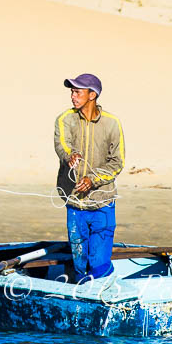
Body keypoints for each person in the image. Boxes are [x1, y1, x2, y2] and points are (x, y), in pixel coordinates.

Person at [53, 73, 125, 282]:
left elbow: (117, 162)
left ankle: (99, 293)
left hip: (103, 203)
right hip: (75, 203)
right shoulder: (65, 119)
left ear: (92, 95)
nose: (73, 96)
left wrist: (92, 179)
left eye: (77, 92)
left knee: (100, 262)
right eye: (72, 92)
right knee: (79, 262)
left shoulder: (112, 123)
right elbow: (62, 144)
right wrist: (70, 156)